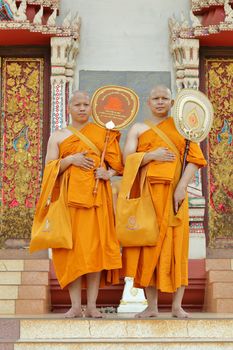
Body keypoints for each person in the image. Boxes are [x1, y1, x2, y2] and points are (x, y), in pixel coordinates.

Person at [121, 85, 207, 318]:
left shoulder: (184, 127)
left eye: (165, 98)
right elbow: (127, 159)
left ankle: (177, 306)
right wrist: (150, 156)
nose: (160, 102)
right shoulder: (138, 129)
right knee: (149, 247)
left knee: (177, 247)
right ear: (148, 102)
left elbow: (194, 160)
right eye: (155, 98)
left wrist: (182, 188)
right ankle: (152, 306)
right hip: (147, 197)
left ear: (172, 103)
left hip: (174, 197)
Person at [36, 90, 123, 318]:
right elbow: (48, 170)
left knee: (94, 253)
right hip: (68, 203)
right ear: (68, 108)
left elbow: (120, 165)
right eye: (77, 104)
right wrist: (69, 160)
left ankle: (92, 305)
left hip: (96, 203)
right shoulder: (58, 136)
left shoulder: (104, 134)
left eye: (86, 104)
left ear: (91, 108)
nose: (82, 108)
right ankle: (75, 305)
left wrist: (107, 172)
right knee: (72, 252)